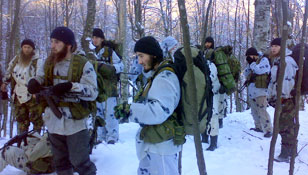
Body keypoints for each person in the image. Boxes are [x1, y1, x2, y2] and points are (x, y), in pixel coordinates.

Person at [27, 26, 98, 175]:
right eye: (52, 41)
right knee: (60, 163)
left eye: (57, 42)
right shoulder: (48, 63)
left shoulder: (83, 64)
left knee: (81, 163)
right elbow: (39, 77)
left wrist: (71, 86)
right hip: (53, 121)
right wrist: (34, 82)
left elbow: (92, 92)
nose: (52, 45)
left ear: (68, 45)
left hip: (75, 123)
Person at [115, 36, 182, 175]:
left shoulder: (165, 77)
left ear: (153, 54)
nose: (139, 61)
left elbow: (158, 112)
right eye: (138, 56)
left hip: (162, 148)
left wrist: (130, 110)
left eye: (141, 56)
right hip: (154, 142)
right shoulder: (157, 74)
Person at [1, 39, 44, 133]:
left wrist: (36, 91)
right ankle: (22, 143)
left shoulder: (37, 61)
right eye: (25, 47)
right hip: (18, 95)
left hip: (32, 96)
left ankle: (36, 143)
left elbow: (40, 77)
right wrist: (5, 83)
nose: (26, 49)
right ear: (22, 48)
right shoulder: (16, 59)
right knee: (21, 121)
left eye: (29, 47)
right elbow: (9, 72)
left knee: (36, 121)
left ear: (33, 49)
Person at [267, 38, 298, 162]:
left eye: (276, 46)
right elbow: (274, 81)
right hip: (282, 98)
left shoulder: (287, 61)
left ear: (282, 47)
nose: (273, 48)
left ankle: (286, 154)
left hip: (286, 99)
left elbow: (288, 81)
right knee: (287, 125)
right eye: (272, 46)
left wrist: (282, 98)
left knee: (285, 126)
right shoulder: (279, 60)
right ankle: (291, 152)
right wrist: (272, 96)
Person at [92, 28, 124, 144]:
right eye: (93, 37)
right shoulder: (91, 53)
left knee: (110, 113)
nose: (95, 40)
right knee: (98, 113)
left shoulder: (109, 51)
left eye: (97, 37)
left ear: (102, 39)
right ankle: (100, 136)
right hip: (96, 88)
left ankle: (112, 136)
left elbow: (121, 65)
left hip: (109, 88)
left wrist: (109, 69)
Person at [244, 47, 273, 138]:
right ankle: (258, 127)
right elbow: (246, 74)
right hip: (252, 90)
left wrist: (252, 63)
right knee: (254, 111)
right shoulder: (252, 63)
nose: (249, 58)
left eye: (250, 56)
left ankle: (268, 130)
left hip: (261, 91)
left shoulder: (264, 60)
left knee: (262, 110)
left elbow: (259, 70)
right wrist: (250, 64)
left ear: (255, 55)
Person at [203, 36, 227, 128]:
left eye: (209, 42)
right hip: (209, 81)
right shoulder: (204, 52)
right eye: (206, 42)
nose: (207, 44)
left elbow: (221, 69)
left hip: (218, 80)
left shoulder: (216, 53)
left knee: (220, 102)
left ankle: (220, 120)